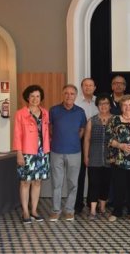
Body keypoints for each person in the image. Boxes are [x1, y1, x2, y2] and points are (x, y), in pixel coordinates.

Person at [49, 84, 87, 222]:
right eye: (66, 93)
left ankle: (69, 210)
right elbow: (50, 128)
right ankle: (55, 210)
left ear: (76, 96)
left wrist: (74, 140)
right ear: (62, 94)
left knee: (73, 183)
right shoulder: (54, 110)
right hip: (56, 151)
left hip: (74, 152)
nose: (69, 96)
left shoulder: (80, 112)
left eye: (72, 93)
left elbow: (82, 129)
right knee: (57, 183)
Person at [13, 85, 50, 224]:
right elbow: (17, 134)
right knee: (25, 182)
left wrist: (47, 150)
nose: (35, 99)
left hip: (42, 152)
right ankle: (25, 211)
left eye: (38, 96)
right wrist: (19, 153)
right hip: (27, 152)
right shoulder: (20, 113)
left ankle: (34, 210)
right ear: (27, 98)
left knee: (37, 181)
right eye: (32, 96)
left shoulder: (45, 112)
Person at [82, 93, 112, 220]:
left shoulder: (115, 120)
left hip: (110, 158)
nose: (103, 106)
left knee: (106, 183)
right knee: (94, 183)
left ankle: (103, 208)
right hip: (94, 157)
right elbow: (87, 139)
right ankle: (93, 210)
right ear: (97, 106)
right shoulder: (92, 120)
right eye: (101, 104)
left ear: (110, 105)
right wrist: (86, 156)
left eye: (106, 103)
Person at [74, 78, 99, 214]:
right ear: (82, 87)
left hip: (95, 140)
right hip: (79, 139)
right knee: (80, 173)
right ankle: (78, 203)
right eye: (85, 85)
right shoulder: (76, 102)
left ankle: (92, 202)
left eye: (91, 85)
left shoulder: (99, 101)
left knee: (94, 173)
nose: (88, 87)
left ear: (95, 87)